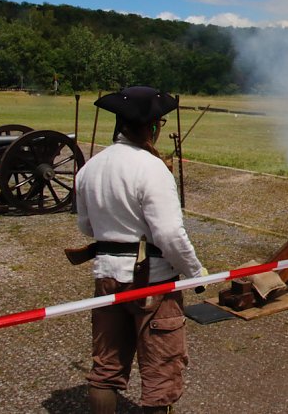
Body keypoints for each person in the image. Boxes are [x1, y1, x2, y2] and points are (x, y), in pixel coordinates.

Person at [74, 86, 206, 414]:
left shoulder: (90, 168)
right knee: (161, 373)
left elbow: (86, 227)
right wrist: (194, 271)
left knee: (105, 370)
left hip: (106, 276)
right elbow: (170, 235)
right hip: (152, 283)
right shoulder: (151, 168)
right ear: (153, 127)